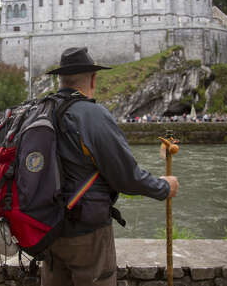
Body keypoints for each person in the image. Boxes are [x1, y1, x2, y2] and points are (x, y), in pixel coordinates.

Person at [42, 47, 179, 286]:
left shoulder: (42, 111)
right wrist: (164, 187)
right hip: (86, 232)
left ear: (61, 79)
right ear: (93, 79)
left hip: (45, 229)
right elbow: (126, 176)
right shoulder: (92, 115)